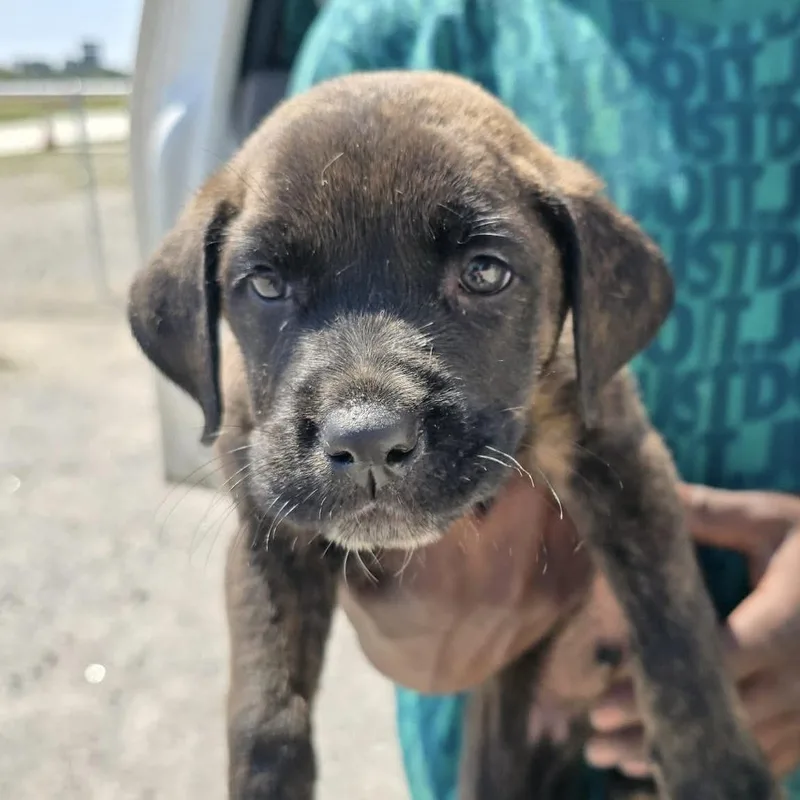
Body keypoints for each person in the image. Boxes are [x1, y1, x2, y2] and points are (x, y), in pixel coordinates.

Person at [286, 1, 800, 797]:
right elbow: (282, 407)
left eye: (482, 274)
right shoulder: (398, 35)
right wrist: (402, 615)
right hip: (496, 741)